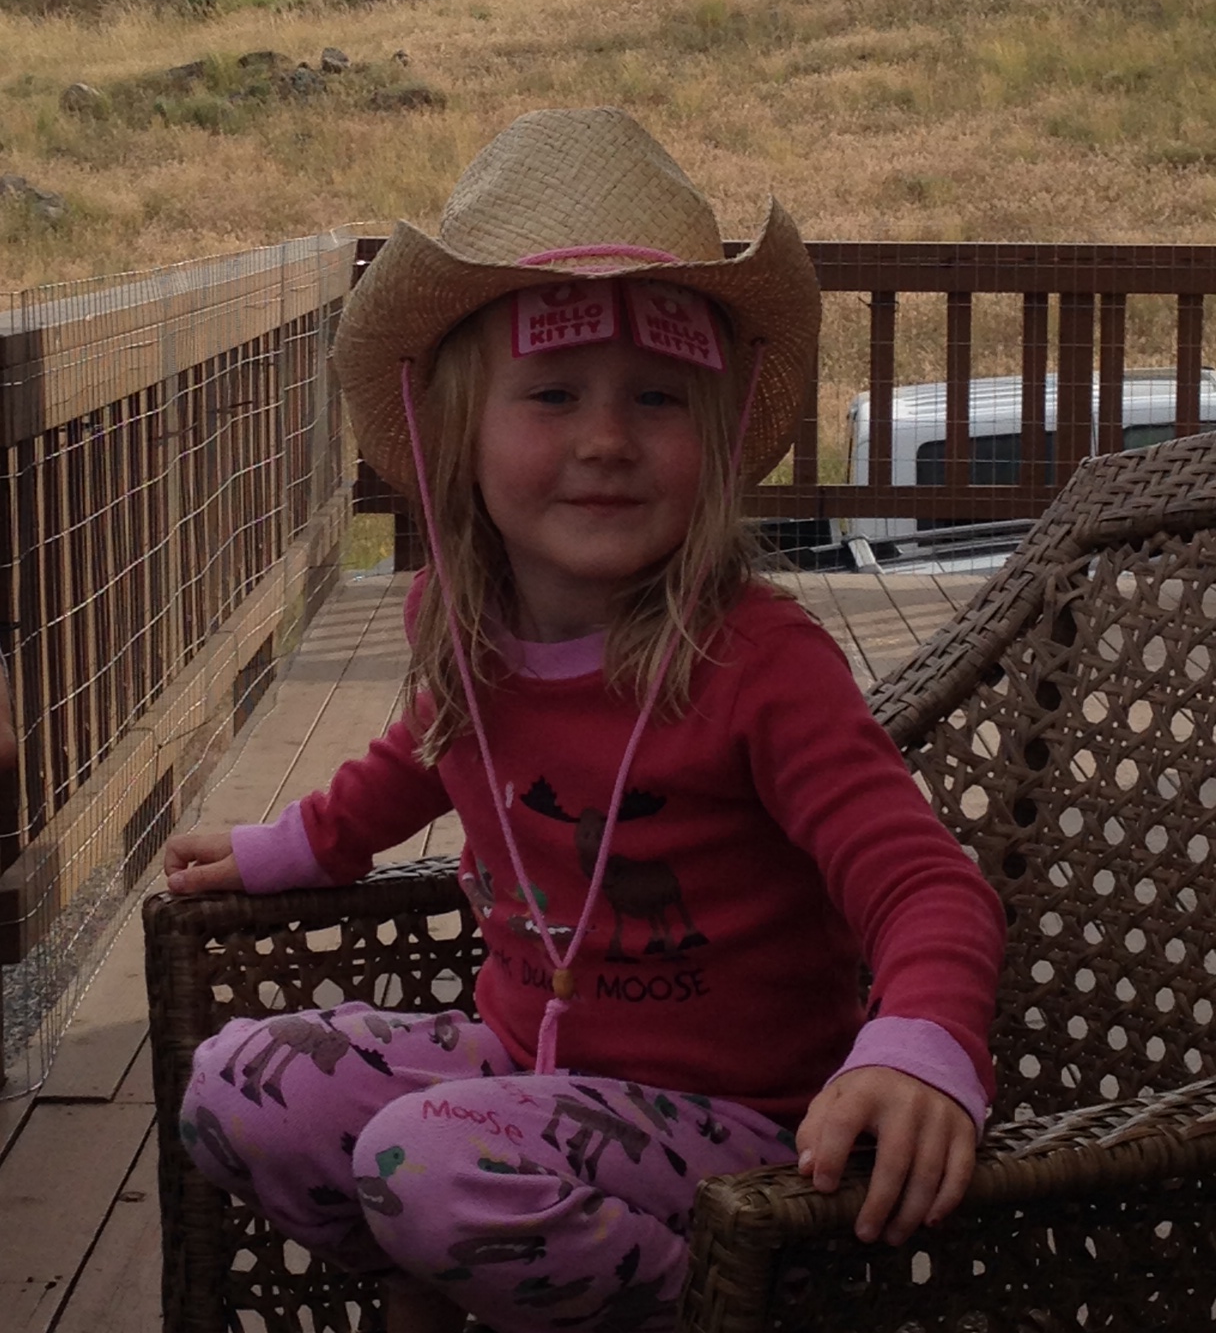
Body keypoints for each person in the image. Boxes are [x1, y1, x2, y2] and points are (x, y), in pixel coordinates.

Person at [165, 108, 1005, 1333]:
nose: (606, 440)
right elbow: (426, 752)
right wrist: (296, 845)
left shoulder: (759, 664)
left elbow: (923, 883)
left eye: (657, 399)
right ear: (457, 436)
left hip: (746, 1132)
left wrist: (918, 1042)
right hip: (520, 1077)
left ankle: (727, 1309)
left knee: (427, 1159)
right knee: (235, 1086)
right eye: (552, 395)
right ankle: (456, 1264)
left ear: (717, 439)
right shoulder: (457, 620)